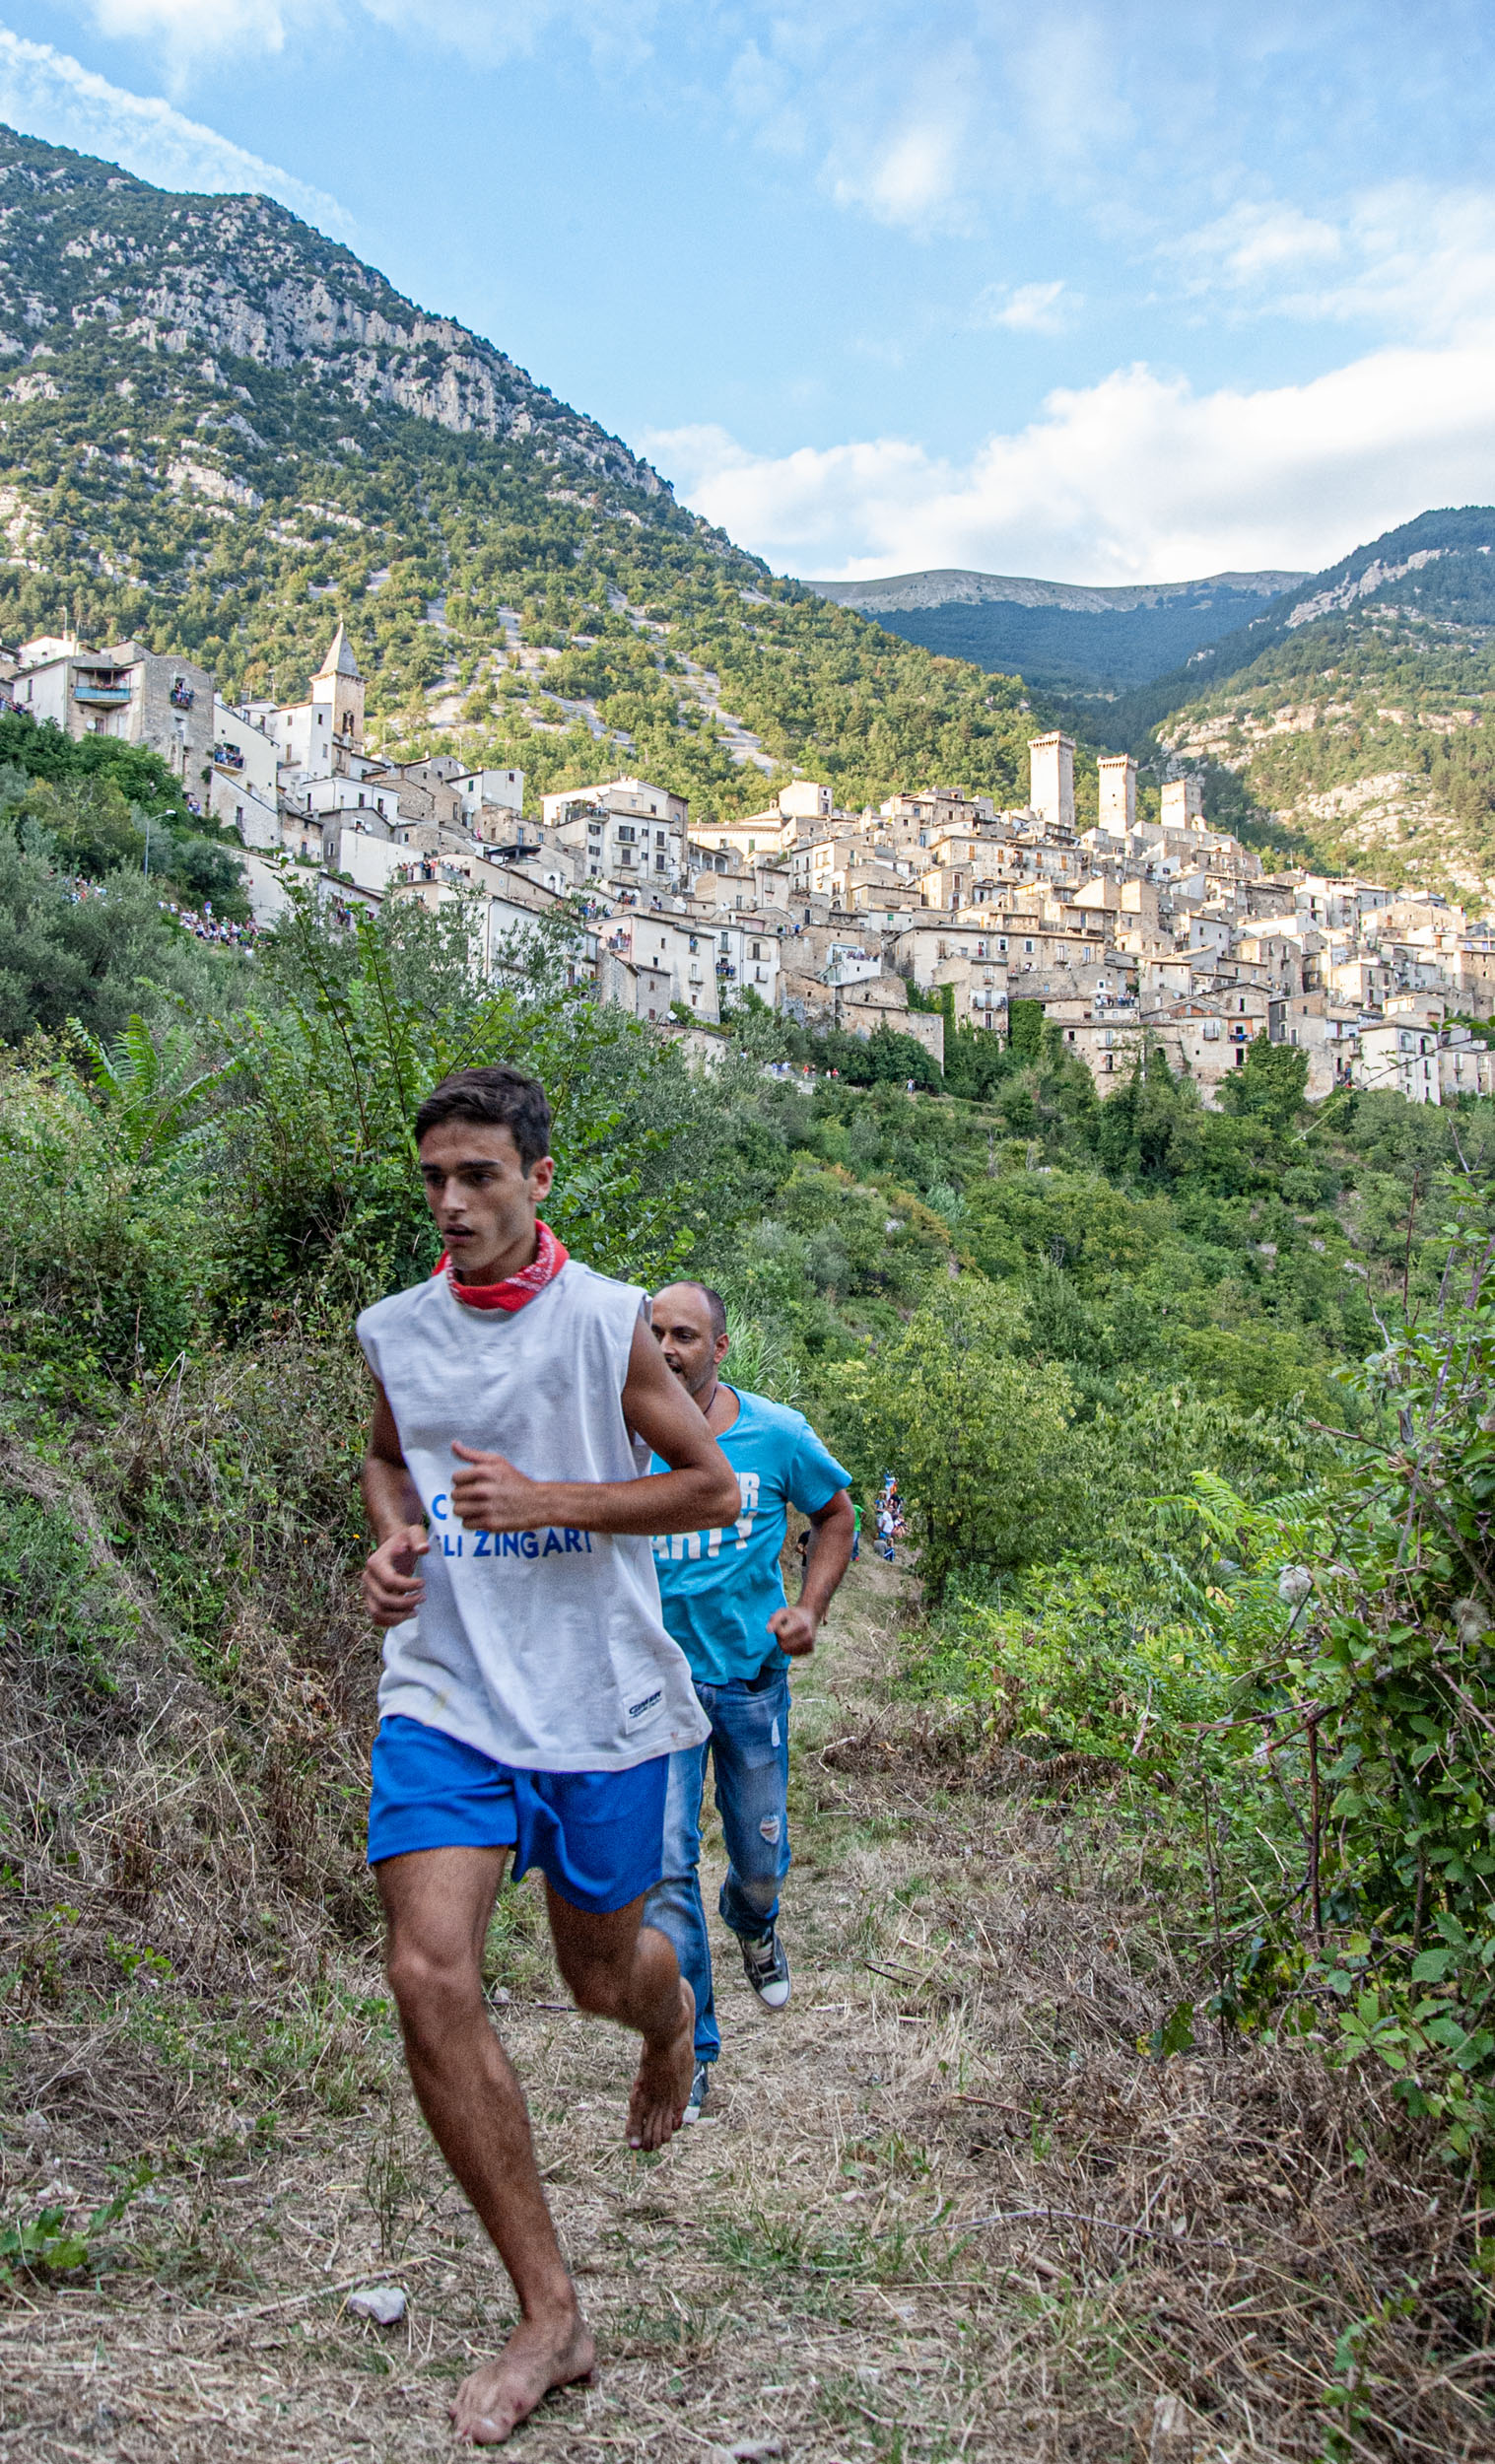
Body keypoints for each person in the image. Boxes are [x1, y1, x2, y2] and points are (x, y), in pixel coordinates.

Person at [357, 1066, 741, 2447]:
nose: (451, 1204)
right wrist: (393, 1541)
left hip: (595, 1704)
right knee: (427, 1969)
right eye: (433, 1181)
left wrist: (546, 1502)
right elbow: (388, 1457)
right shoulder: (393, 1328)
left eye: (478, 1176)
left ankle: (668, 2018)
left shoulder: (599, 1320)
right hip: (448, 1692)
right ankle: (549, 2313)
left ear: (537, 1180)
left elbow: (710, 1484)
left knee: (597, 1978)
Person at [645, 1282, 855, 2118]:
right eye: (655, 1333)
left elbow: (834, 1515)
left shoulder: (775, 1433)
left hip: (748, 1683)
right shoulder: (622, 1435)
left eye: (684, 1335)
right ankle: (689, 2048)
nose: (666, 1349)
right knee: (667, 1874)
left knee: (760, 1864)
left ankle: (753, 1923)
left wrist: (810, 1609)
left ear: (719, 1347)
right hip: (653, 1690)